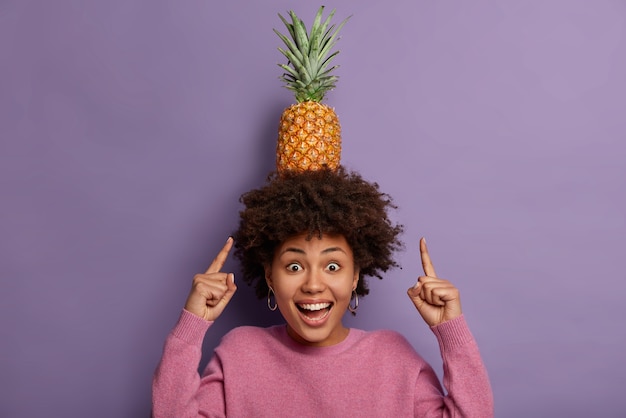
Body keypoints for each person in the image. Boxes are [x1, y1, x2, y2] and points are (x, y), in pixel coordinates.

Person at [152, 167, 494, 417]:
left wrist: (452, 333)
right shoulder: (240, 354)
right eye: (294, 266)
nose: (314, 284)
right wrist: (191, 326)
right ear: (270, 275)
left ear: (355, 275)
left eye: (332, 267)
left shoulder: (394, 359)